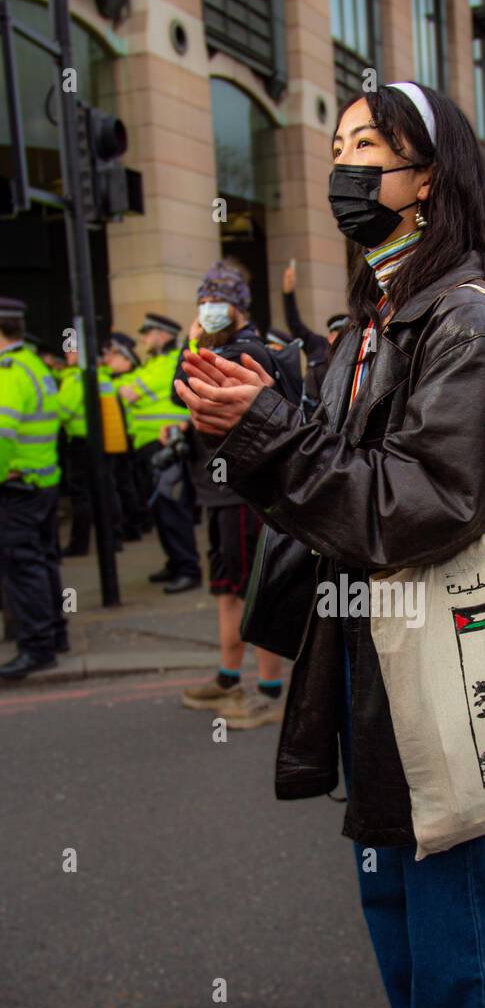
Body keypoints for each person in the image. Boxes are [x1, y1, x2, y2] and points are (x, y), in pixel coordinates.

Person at [175, 81, 485, 1008]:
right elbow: (322, 471)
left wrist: (275, 433)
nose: (342, 169)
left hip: (437, 647)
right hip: (375, 656)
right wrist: (247, 421)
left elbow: (424, 501)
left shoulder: (462, 316)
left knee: (452, 907)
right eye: (333, 147)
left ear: (427, 175)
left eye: (366, 150)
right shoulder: (378, 313)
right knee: (396, 895)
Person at [173, 260, 285, 726]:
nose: (206, 309)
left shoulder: (246, 351)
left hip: (244, 493)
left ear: (237, 307)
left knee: (256, 591)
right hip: (219, 491)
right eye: (202, 301)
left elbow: (180, 388)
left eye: (215, 302)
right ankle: (227, 677)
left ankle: (270, 692)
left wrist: (192, 342)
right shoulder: (229, 346)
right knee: (227, 591)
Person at [0, 297, 67, 680]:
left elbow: (2, 436)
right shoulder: (34, 365)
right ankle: (55, 635)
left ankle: (37, 648)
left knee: (24, 569)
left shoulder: (8, 372)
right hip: (44, 481)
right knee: (43, 563)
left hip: (19, 485)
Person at [120, 313, 201, 593]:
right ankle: (175, 563)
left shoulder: (168, 363)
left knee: (172, 508)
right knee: (160, 509)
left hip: (165, 445)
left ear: (162, 334)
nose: (143, 339)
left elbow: (128, 393)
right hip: (147, 447)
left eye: (147, 333)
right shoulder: (152, 364)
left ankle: (189, 568)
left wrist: (130, 391)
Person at [56, 342, 122, 556]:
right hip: (103, 441)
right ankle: (114, 538)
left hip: (81, 443)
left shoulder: (76, 378)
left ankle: (79, 543)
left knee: (81, 495)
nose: (66, 354)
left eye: (70, 350)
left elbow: (61, 410)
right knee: (106, 490)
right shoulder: (103, 376)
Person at [282, 262, 348, 413]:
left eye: (344, 334)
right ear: (330, 335)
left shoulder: (355, 352)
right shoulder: (318, 345)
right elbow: (294, 324)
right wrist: (288, 294)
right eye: (335, 333)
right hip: (314, 417)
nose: (336, 338)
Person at [100, 331, 147, 541]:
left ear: (126, 358)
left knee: (126, 485)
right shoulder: (119, 379)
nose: (107, 359)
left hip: (128, 439)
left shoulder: (126, 382)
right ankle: (137, 523)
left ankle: (133, 525)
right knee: (129, 484)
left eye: (112, 355)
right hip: (128, 439)